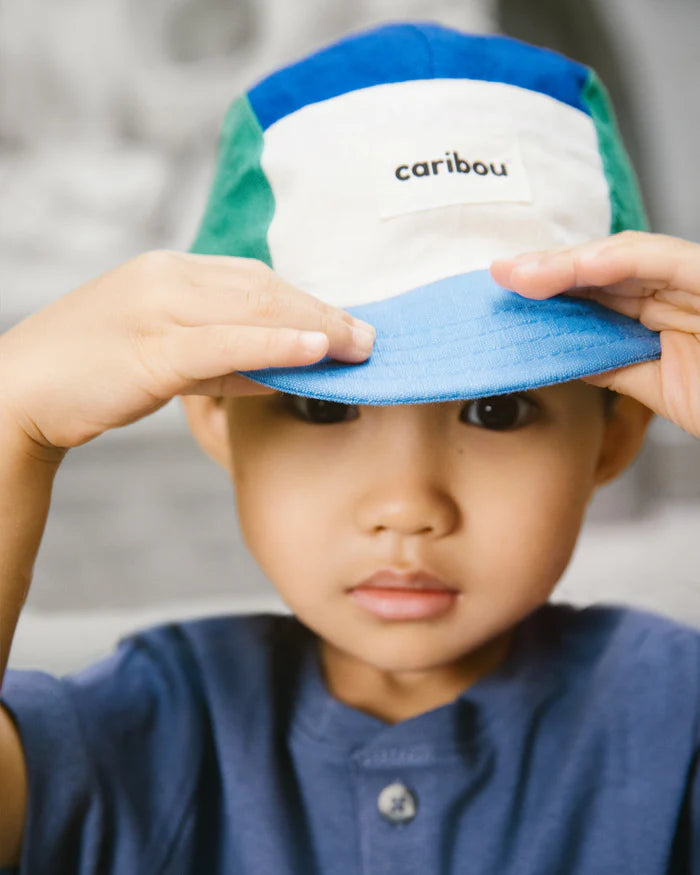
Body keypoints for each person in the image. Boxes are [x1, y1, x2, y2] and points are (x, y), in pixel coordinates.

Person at [0, 20, 698, 874]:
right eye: (325, 410)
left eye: (499, 410)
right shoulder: (154, 722)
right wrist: (11, 419)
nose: (405, 505)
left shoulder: (676, 716)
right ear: (214, 417)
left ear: (615, 434)